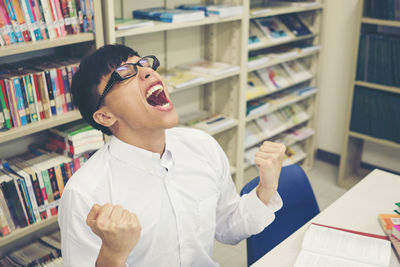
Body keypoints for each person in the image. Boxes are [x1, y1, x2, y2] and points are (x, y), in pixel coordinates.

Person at [58, 44, 285, 267]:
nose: (147, 71)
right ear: (105, 117)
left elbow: (227, 228)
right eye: (124, 74)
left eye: (144, 64)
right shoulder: (84, 194)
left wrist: (266, 188)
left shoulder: (202, 146)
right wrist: (113, 256)